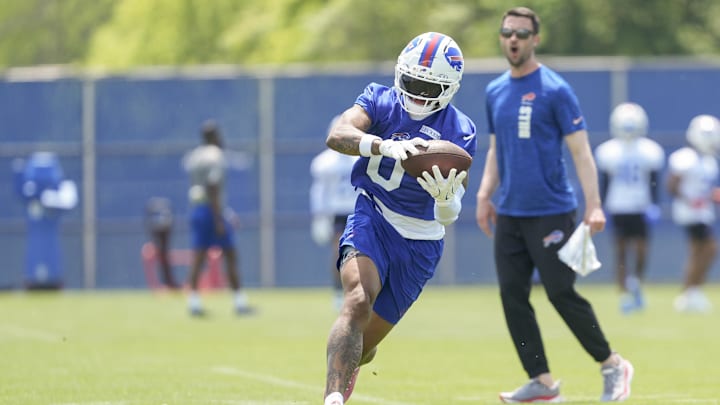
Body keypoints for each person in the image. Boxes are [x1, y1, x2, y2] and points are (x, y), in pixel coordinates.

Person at [474, 7, 633, 403]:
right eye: (507, 32)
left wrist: (594, 205)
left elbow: (581, 153)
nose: (514, 39)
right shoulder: (495, 91)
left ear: (535, 40)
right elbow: (495, 150)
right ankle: (542, 383)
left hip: (551, 210)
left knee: (561, 293)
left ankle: (613, 364)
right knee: (512, 295)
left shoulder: (556, 89)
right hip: (509, 210)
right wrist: (483, 194)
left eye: (522, 34)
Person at [321, 32, 476, 405]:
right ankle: (332, 401)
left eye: (430, 86)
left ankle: (350, 366)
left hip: (421, 241)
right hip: (373, 214)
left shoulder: (461, 130)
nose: (419, 93)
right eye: (413, 82)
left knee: (365, 347)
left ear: (449, 88)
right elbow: (337, 134)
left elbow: (451, 212)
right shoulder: (379, 99)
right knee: (358, 300)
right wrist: (385, 145)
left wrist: (444, 200)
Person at [594, 102, 665, 313]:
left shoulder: (649, 150)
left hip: (641, 205)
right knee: (621, 250)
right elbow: (604, 182)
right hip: (617, 205)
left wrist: (654, 205)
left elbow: (654, 181)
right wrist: (601, 206)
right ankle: (623, 291)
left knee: (642, 249)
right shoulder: (608, 150)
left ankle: (637, 284)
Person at [182, 120, 252, 316]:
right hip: (211, 210)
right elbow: (213, 186)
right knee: (230, 254)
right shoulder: (216, 156)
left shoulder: (194, 156)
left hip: (197, 208)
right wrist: (219, 217)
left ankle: (194, 302)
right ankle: (239, 302)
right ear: (216, 136)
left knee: (198, 256)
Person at [666, 114, 720, 313]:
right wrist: (690, 200)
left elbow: (704, 189)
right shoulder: (685, 158)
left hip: (703, 212)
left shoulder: (709, 161)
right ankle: (690, 292)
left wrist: (711, 196)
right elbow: (671, 185)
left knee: (698, 251)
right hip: (690, 213)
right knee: (709, 248)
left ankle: (691, 292)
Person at [310, 118, 360, 311]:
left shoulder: (360, 157)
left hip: (359, 209)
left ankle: (361, 291)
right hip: (338, 212)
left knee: (365, 254)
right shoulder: (324, 162)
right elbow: (319, 191)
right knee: (339, 254)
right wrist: (319, 217)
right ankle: (339, 293)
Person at [144, 196, 180, 290]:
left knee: (165, 267)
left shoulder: (164, 230)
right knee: (163, 267)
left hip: (164, 252)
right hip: (161, 252)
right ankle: (167, 284)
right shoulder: (157, 230)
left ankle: (169, 284)